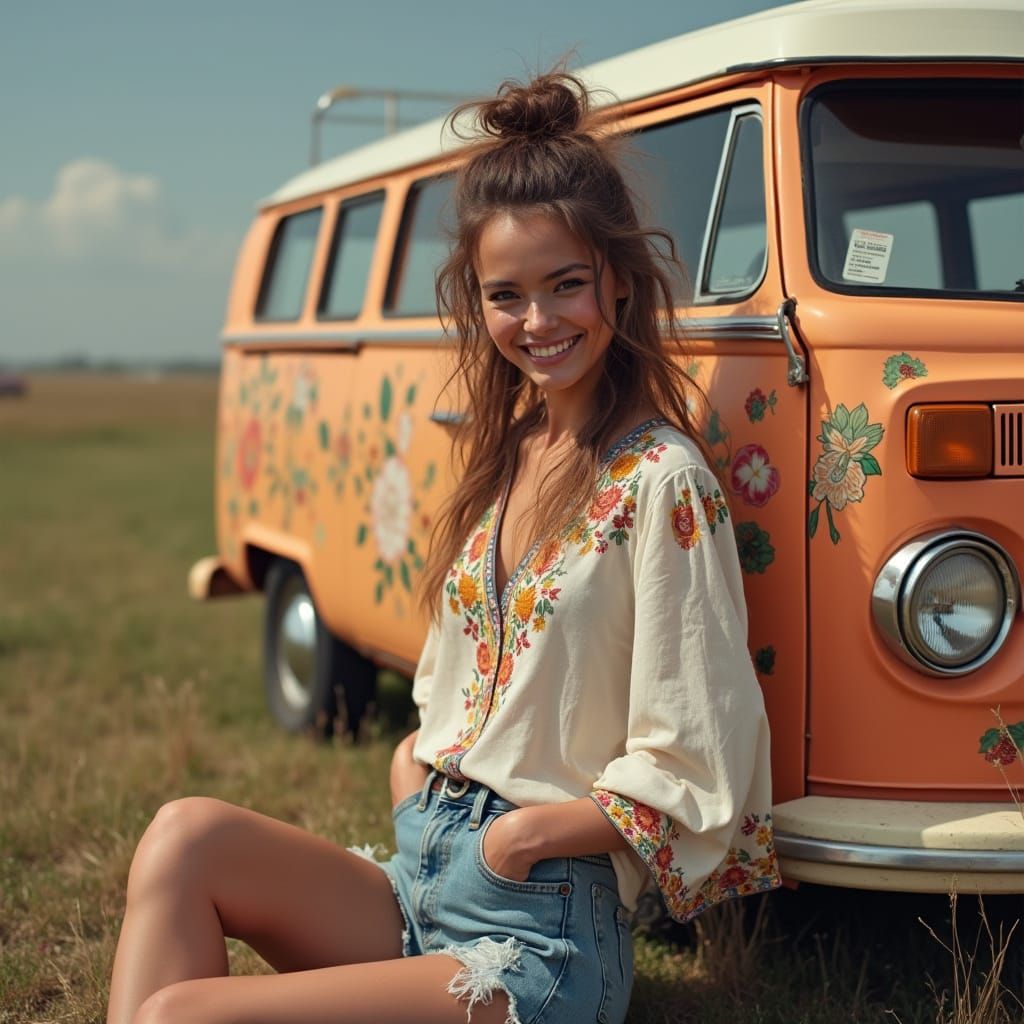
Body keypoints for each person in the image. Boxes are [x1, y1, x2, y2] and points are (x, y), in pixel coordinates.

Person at [106, 70, 779, 1024]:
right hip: (426, 867)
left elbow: (704, 746)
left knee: (182, 1014)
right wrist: (416, 755)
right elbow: (469, 665)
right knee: (183, 837)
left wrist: (538, 833)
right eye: (507, 295)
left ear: (617, 288)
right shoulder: (508, 457)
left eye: (566, 285)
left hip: (542, 928)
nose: (538, 322)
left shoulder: (662, 481)